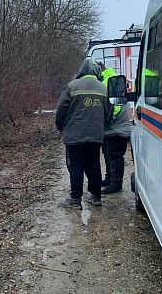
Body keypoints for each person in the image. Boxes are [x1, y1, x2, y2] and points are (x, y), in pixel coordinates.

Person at [55, 59, 112, 209]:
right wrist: (100, 128)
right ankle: (96, 196)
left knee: (76, 166)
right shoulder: (103, 88)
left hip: (74, 136)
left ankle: (75, 200)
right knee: (94, 164)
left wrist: (61, 128)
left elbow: (61, 111)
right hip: (95, 135)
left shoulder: (71, 86)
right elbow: (108, 113)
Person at [100, 66, 133, 194]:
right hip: (113, 127)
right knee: (108, 154)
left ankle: (116, 184)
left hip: (116, 127)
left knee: (115, 156)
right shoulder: (110, 79)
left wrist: (109, 119)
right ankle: (110, 178)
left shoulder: (107, 80)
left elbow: (116, 104)